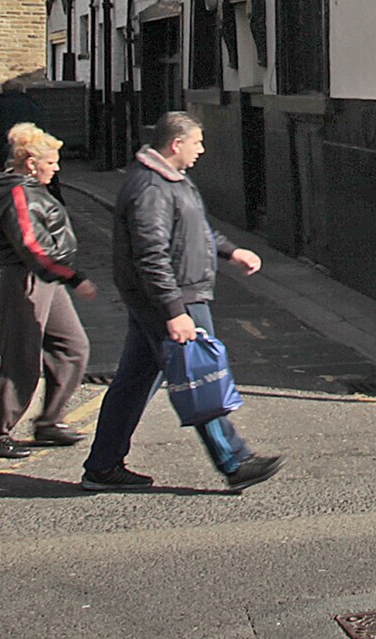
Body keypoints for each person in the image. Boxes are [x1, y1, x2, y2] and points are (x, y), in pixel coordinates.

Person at [81, 110, 282, 491]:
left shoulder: (171, 181)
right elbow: (151, 254)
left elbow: (194, 230)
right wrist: (175, 311)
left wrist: (230, 251)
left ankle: (103, 465)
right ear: (176, 144)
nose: (202, 150)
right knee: (198, 377)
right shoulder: (152, 188)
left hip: (166, 297)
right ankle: (234, 461)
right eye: (197, 143)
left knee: (132, 382)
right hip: (174, 298)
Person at [0, 124, 96, 459]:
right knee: (22, 359)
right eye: (51, 162)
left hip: (42, 280)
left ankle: (49, 421)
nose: (57, 167)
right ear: (31, 163)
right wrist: (73, 277)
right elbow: (32, 247)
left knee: (72, 346)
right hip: (20, 280)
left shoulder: (31, 189)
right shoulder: (18, 194)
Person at [0, 77, 36, 170]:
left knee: (3, 174)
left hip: (2, 148)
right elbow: (40, 126)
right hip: (26, 146)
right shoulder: (31, 104)